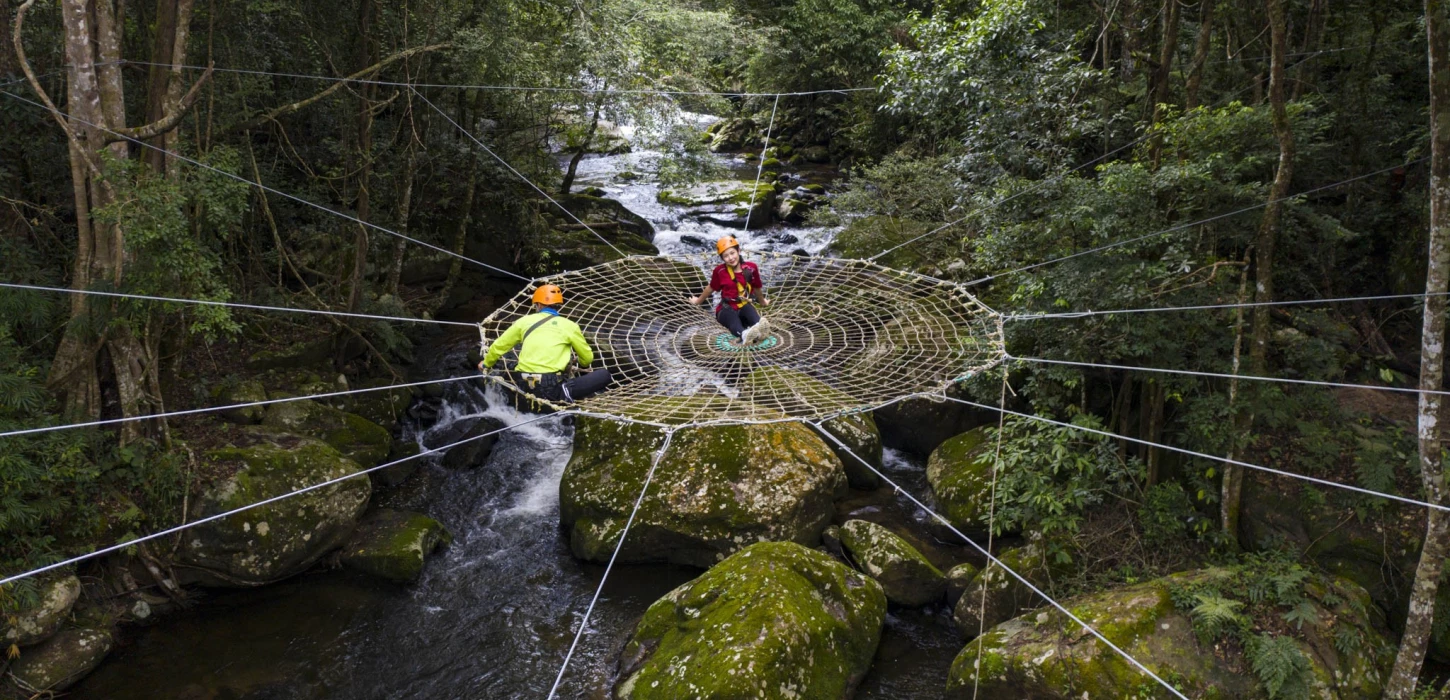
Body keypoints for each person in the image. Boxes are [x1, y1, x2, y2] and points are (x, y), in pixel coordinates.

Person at [478, 284, 611, 403]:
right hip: (551, 388)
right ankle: (563, 396)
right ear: (558, 305)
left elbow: (499, 346)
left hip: (522, 382)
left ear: (539, 305)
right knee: (604, 375)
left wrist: (486, 363)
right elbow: (587, 359)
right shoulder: (569, 326)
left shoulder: (523, 321)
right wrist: (580, 362)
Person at [688, 236, 771, 343]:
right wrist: (698, 301)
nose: (731, 258)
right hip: (726, 309)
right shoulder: (720, 271)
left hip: (744, 305)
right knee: (734, 322)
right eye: (726, 256)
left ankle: (759, 331)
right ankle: (745, 335)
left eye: (732, 253)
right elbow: (711, 288)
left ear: (738, 251)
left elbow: (757, 288)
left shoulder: (751, 268)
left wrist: (763, 302)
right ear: (722, 258)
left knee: (756, 320)